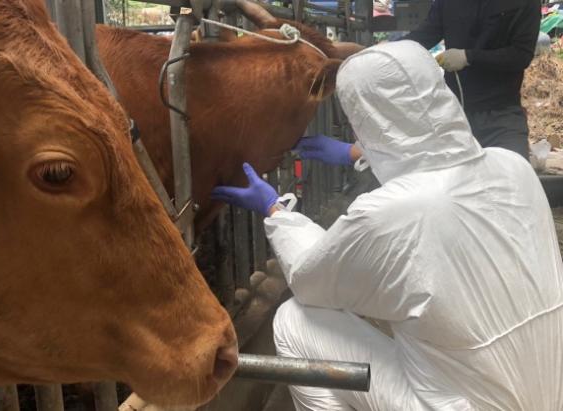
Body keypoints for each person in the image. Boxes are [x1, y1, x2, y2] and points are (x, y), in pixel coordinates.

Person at [211, 41, 563, 410]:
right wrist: (357, 154)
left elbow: (310, 278)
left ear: (366, 120)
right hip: (549, 396)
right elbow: (430, 153)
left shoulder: (392, 212)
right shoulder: (513, 167)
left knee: (294, 320)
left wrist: (276, 212)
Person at [401, 0, 541, 159]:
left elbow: (521, 55)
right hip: (455, 113)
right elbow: (424, 35)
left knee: (514, 169)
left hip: (502, 115)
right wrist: (386, 50)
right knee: (450, 172)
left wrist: (469, 57)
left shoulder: (523, 3)